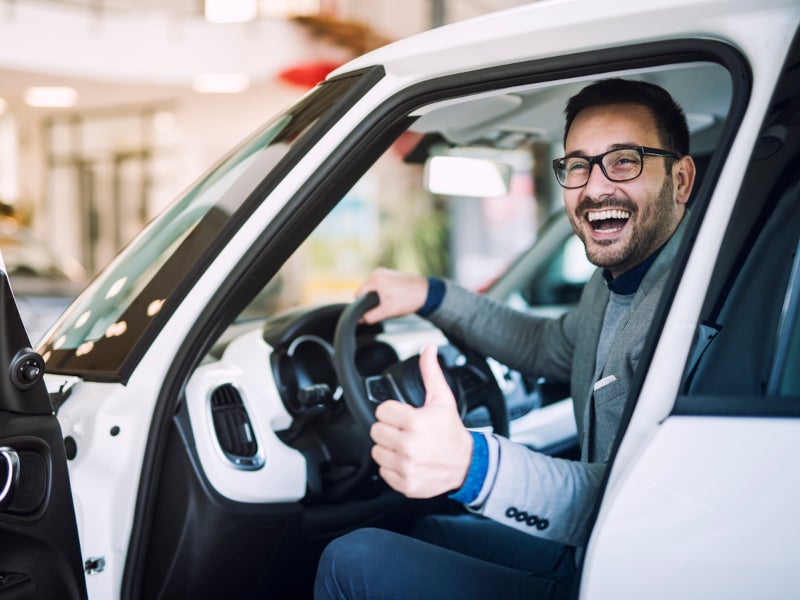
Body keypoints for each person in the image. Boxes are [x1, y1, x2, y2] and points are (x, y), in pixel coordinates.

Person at [314, 78, 697, 599]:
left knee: (349, 560)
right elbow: (545, 346)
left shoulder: (687, 309)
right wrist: (432, 295)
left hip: (632, 574)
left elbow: (633, 503)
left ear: (680, 179)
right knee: (425, 530)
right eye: (578, 165)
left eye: (624, 160)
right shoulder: (617, 284)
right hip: (592, 551)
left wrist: (471, 463)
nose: (595, 187)